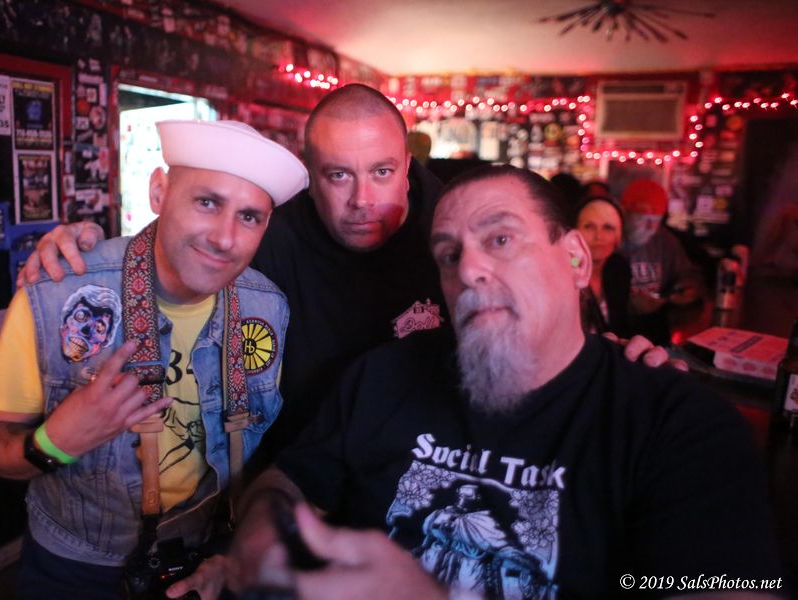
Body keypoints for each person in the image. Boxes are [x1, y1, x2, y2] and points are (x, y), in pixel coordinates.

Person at [19, 86, 674, 470]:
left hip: (427, 472)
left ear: (407, 164)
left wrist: (608, 362)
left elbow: (537, 310)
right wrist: (89, 248)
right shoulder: (271, 234)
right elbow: (185, 251)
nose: (363, 200)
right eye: (338, 175)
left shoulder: (455, 228)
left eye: (383, 172)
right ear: (311, 177)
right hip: (288, 478)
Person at [220, 165, 782, 600]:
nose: (468, 269)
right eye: (448, 255)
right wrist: (264, 540)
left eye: (501, 240)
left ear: (576, 259)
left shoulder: (684, 430)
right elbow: (286, 482)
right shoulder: (384, 376)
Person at [0, 119, 308, 599]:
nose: (225, 238)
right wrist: (56, 440)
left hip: (208, 559)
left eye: (249, 217)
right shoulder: (60, 291)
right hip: (78, 567)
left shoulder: (267, 307)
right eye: (207, 203)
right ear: (158, 192)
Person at [621, 179, 703, 345]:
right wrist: (627, 302)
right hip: (618, 327)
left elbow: (687, 274)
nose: (651, 227)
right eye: (643, 219)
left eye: (656, 220)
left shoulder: (666, 241)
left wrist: (687, 288)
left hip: (654, 328)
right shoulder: (609, 238)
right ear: (625, 213)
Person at [574, 195, 631, 337]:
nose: (598, 236)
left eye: (608, 228)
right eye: (589, 226)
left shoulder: (618, 268)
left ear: (619, 236)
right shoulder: (568, 268)